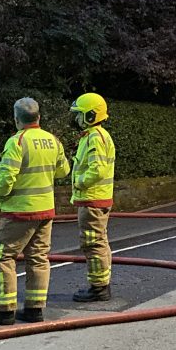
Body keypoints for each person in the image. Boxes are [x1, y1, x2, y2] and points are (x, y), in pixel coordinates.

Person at [0, 97, 70, 326]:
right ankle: (34, 309)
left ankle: (4, 310)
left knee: (2, 256)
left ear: (16, 119)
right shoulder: (52, 140)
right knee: (38, 258)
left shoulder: (17, 142)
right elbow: (63, 171)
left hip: (19, 212)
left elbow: (5, 180)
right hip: (46, 210)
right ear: (39, 117)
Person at [68, 93, 116, 303]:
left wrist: (79, 182)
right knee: (99, 242)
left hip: (92, 199)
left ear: (90, 115)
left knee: (92, 244)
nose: (77, 119)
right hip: (97, 199)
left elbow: (97, 169)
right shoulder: (98, 135)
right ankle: (101, 285)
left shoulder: (96, 137)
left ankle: (98, 288)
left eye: (79, 115)